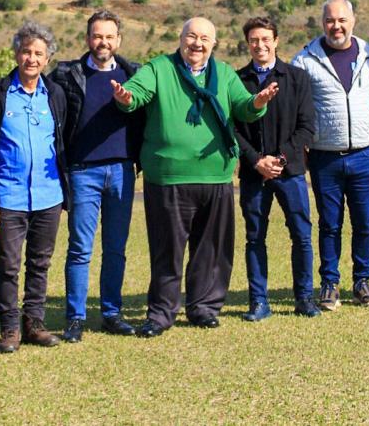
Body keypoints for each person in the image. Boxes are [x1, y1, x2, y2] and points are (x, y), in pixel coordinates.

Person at [112, 17, 278, 337]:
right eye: (191, 37)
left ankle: (203, 307)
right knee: (167, 250)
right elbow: (137, 93)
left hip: (216, 177)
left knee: (211, 249)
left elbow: (244, 107)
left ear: (213, 44)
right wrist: (126, 97)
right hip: (168, 178)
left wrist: (258, 102)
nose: (197, 44)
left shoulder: (225, 73)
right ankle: (161, 313)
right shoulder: (159, 68)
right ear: (180, 38)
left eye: (204, 38)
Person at [51, 10, 143, 342]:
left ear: (118, 39)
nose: (102, 42)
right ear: (88, 38)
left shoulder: (135, 74)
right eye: (96, 36)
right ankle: (75, 317)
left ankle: (111, 313)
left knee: (116, 247)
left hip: (121, 171)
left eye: (109, 36)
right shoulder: (66, 75)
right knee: (80, 248)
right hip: (82, 172)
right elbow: (30, 82)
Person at [0, 22, 69, 352]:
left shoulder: (55, 94)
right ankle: (9, 329)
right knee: (8, 263)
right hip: (8, 195)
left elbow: (64, 139)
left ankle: (34, 323)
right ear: (16, 54)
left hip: (49, 194)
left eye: (39, 53)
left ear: (47, 58)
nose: (32, 59)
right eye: (26, 52)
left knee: (40, 262)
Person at [291, 0, 369, 309]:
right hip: (324, 155)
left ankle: (362, 281)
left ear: (353, 21)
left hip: (364, 154)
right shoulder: (305, 59)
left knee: (366, 223)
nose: (336, 26)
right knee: (329, 224)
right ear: (322, 22)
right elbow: (294, 108)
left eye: (342, 20)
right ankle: (329, 283)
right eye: (330, 20)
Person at [233, 16, 321, 321]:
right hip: (253, 172)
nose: (260, 45)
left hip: (291, 171)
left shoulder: (296, 78)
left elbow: (307, 126)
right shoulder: (237, 81)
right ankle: (259, 301)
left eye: (265, 39)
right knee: (255, 236)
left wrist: (280, 160)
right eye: (254, 40)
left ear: (276, 41)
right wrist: (256, 160)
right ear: (247, 43)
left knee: (301, 234)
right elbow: (233, 129)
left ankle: (304, 297)